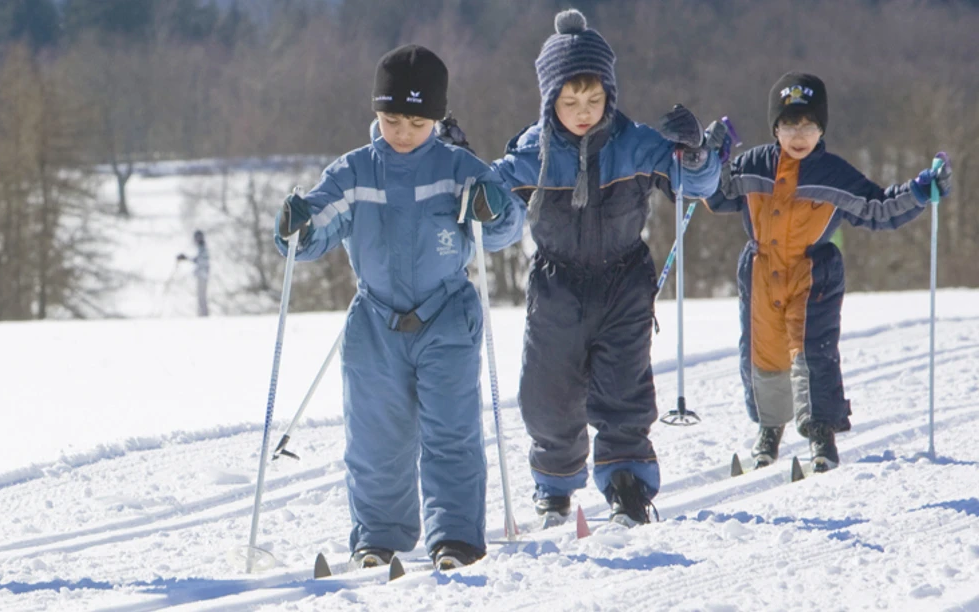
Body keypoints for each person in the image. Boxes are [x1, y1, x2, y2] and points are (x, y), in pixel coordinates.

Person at [275, 44, 524, 570]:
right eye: (391, 119)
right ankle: (379, 537)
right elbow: (319, 226)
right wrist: (297, 226)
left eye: (416, 120)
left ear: (435, 117)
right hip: (375, 324)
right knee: (375, 439)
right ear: (375, 112)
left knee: (450, 433)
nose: (403, 132)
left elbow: (506, 226)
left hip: (446, 319)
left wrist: (493, 209)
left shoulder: (458, 167)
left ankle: (455, 536)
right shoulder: (355, 172)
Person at [493, 9, 726, 528]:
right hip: (558, 285)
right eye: (570, 101)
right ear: (550, 98)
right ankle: (554, 485)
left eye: (594, 100)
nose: (582, 112)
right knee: (546, 393)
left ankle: (627, 482)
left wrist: (696, 152)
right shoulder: (535, 152)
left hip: (623, 282)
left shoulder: (635, 142)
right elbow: (490, 192)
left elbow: (700, 184)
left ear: (610, 95)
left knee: (624, 388)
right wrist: (462, 169)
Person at [704, 72, 951, 473]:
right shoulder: (753, 165)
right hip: (761, 271)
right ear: (775, 128)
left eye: (809, 125)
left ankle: (821, 432)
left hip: (812, 273)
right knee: (762, 352)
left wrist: (919, 192)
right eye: (789, 125)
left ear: (821, 129)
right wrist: (707, 159)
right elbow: (716, 195)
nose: (799, 135)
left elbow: (877, 207)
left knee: (811, 352)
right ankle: (770, 428)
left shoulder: (832, 173)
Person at [177, 229, 210, 317]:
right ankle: (202, 315)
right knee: (200, 297)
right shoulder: (201, 248)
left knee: (201, 297)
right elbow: (197, 259)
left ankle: (204, 316)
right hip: (201, 275)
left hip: (203, 276)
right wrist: (186, 258)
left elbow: (200, 261)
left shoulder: (203, 248)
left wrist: (186, 258)